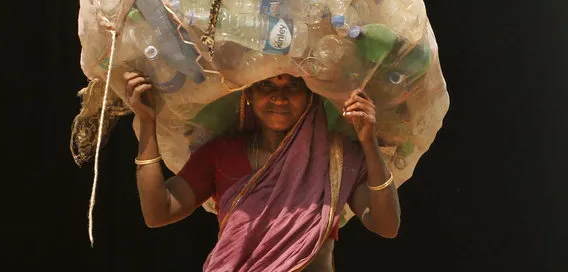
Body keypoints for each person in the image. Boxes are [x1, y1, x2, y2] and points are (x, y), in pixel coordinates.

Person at [124, 71, 401, 271]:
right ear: (249, 94)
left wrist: (368, 142)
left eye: (293, 86)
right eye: (266, 85)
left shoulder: (340, 155)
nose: (279, 98)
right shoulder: (221, 153)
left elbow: (386, 225)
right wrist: (147, 123)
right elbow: (158, 212)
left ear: (311, 95)